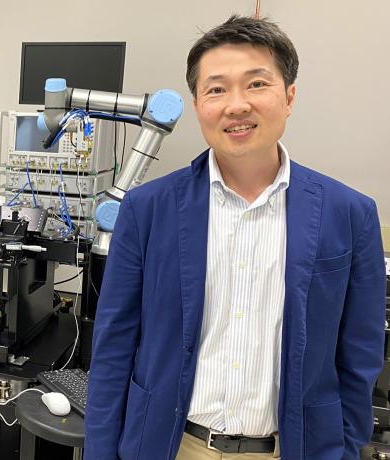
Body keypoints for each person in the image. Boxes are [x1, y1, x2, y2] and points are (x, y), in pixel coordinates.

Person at [84, 15, 385, 460]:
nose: (236, 105)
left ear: (289, 96)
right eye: (217, 89)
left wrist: (344, 448)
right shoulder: (146, 209)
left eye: (257, 84)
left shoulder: (350, 214)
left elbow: (359, 356)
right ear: (197, 103)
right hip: (171, 445)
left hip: (295, 449)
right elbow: (113, 347)